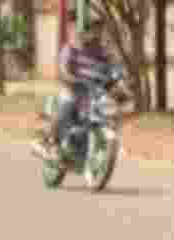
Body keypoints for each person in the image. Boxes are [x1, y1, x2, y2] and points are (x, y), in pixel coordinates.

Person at [34, 23, 114, 160]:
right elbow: (63, 70)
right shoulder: (71, 49)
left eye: (98, 32)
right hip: (72, 90)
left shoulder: (103, 54)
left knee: (110, 111)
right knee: (68, 105)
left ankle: (105, 146)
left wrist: (119, 81)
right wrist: (71, 79)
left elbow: (112, 72)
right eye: (92, 31)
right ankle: (45, 142)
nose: (96, 35)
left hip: (93, 94)